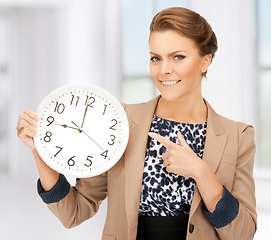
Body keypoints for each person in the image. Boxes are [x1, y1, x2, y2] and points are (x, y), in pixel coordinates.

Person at [16, 7, 257, 240]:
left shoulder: (238, 136)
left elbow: (243, 234)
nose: (164, 70)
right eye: (155, 58)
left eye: (178, 57)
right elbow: (74, 211)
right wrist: (40, 150)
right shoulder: (121, 122)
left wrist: (201, 172)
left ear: (205, 61)